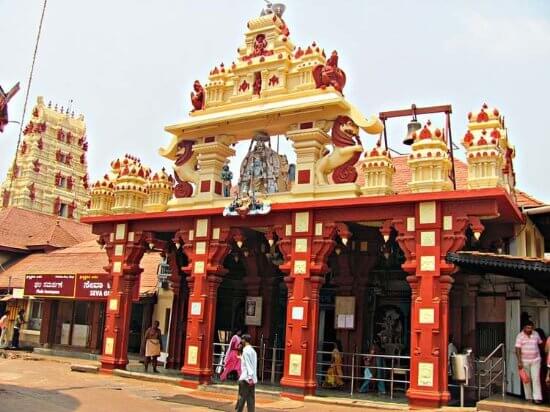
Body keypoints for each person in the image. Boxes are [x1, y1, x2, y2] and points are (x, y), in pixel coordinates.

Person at [515, 321, 543, 404]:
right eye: (527, 328)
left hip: (536, 360)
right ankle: (529, 397)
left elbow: (540, 344)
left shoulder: (536, 334)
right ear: (524, 328)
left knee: (536, 378)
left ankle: (537, 398)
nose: (529, 329)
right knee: (526, 380)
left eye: (531, 328)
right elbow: (517, 349)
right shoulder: (520, 336)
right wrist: (519, 362)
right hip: (524, 361)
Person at [235, 334, 257, 412]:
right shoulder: (253, 350)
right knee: (251, 399)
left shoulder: (245, 351)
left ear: (244, 340)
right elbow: (251, 363)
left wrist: (249, 377)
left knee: (241, 398)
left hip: (245, 378)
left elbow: (248, 364)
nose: (241, 341)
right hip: (252, 379)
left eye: (242, 339)